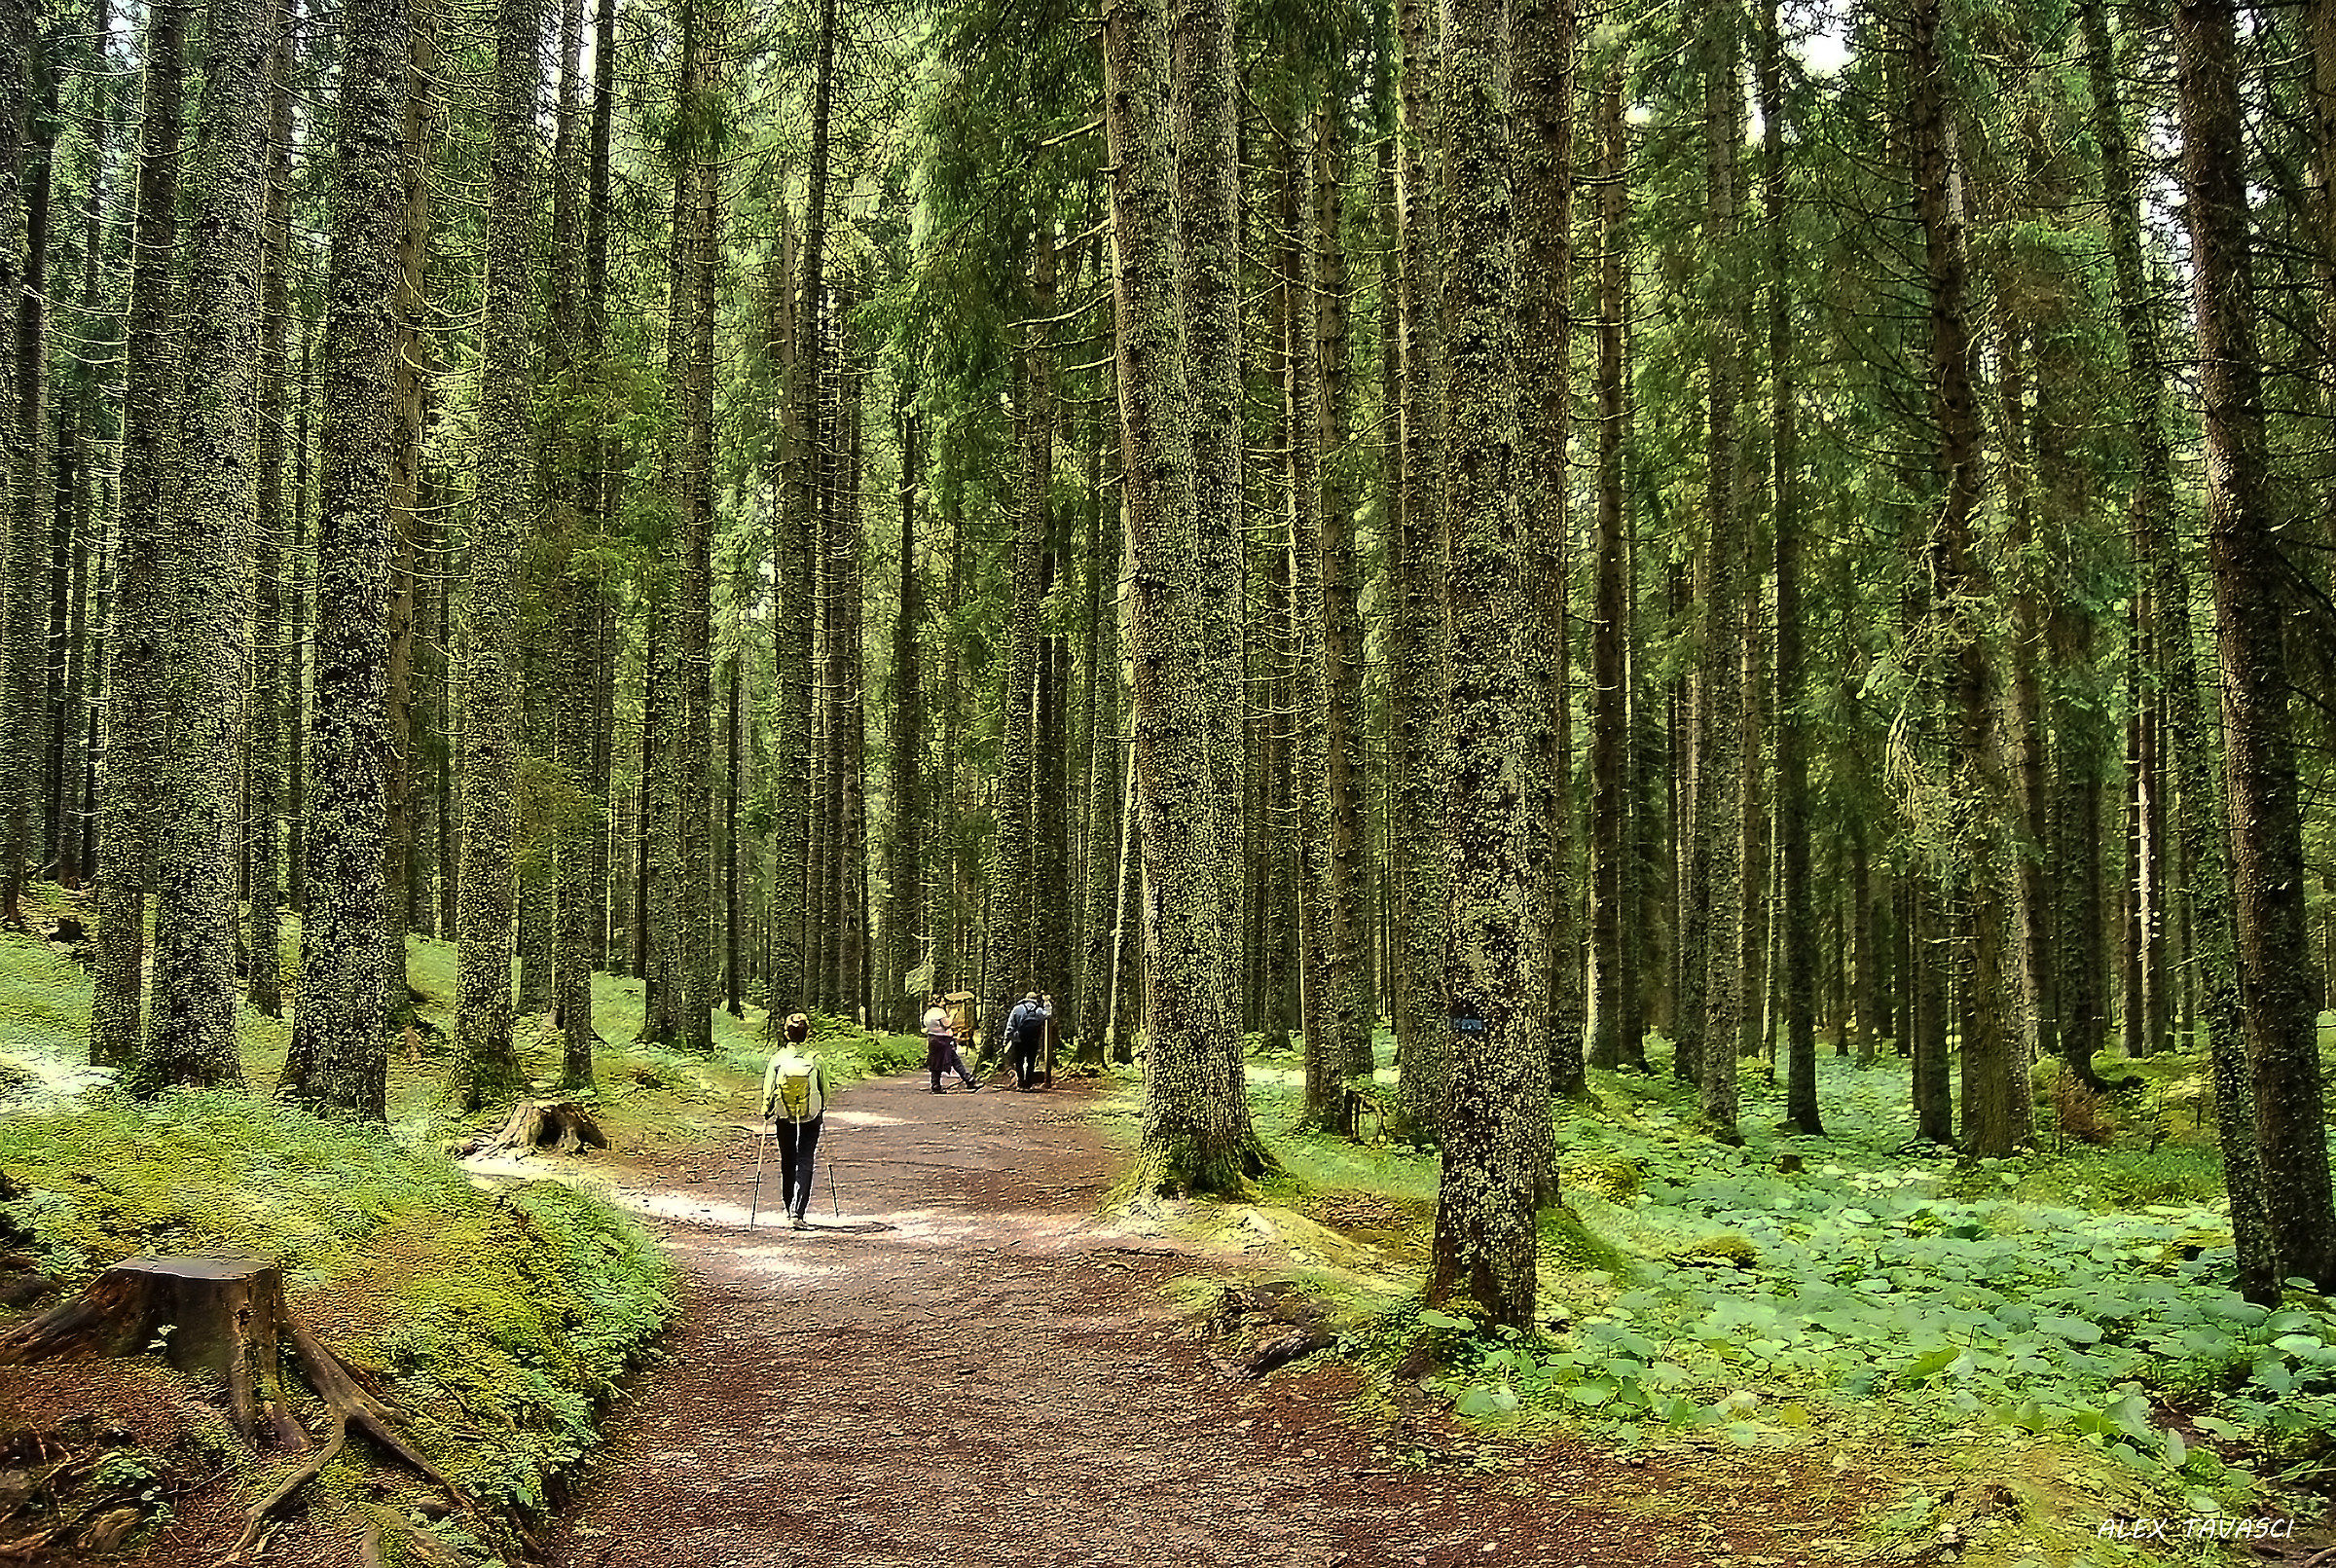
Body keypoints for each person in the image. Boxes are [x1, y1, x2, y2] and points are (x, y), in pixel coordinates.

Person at [760, 1013, 828, 1230]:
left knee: (787, 1159)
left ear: (785, 1033)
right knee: (805, 1159)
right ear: (808, 1033)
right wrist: (822, 1106)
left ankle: (787, 1205)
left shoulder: (778, 1059)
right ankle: (798, 1213)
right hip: (811, 1114)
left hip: (784, 1113)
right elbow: (825, 1087)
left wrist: (766, 1108)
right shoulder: (816, 1058)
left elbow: (769, 1088)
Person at [924, 994, 978, 1092]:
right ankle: (969, 1080)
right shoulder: (939, 1013)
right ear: (937, 1002)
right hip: (942, 1040)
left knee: (936, 1063)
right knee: (954, 1060)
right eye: (942, 1001)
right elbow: (946, 1024)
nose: (944, 1003)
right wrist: (953, 1015)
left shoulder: (928, 1013)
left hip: (932, 1039)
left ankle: (936, 1085)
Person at [1004, 992, 1051, 1091]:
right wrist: (1046, 1002)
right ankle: (1028, 1084)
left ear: (1026, 998)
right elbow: (1048, 1014)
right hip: (1033, 1039)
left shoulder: (1017, 1009)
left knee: (1019, 1061)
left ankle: (1020, 1083)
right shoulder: (1038, 1010)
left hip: (1019, 1039)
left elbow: (1010, 1025)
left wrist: (1008, 1038)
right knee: (1031, 1061)